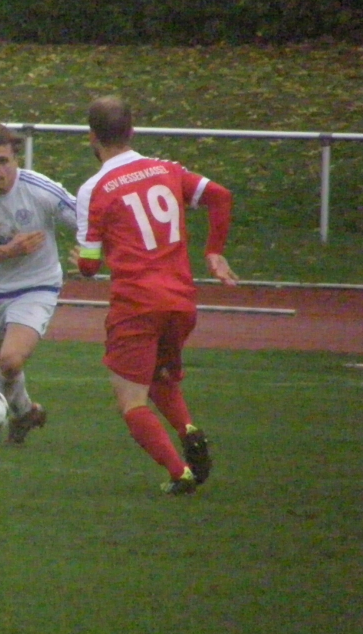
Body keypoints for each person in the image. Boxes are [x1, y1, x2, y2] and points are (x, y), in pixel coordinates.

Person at [73, 95, 238, 495]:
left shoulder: (94, 188)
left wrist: (81, 258)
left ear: (92, 136)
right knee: (160, 376)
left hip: (136, 304)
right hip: (180, 301)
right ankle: (188, 429)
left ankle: (180, 473)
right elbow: (220, 196)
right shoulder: (168, 170)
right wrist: (214, 251)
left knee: (131, 400)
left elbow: (90, 267)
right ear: (131, 131)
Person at [0, 123, 77, 447]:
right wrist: (10, 251)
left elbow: (87, 221)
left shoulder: (41, 189)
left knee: (10, 361)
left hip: (37, 285)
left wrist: (90, 252)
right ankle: (25, 412)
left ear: (15, 160)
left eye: (3, 161)